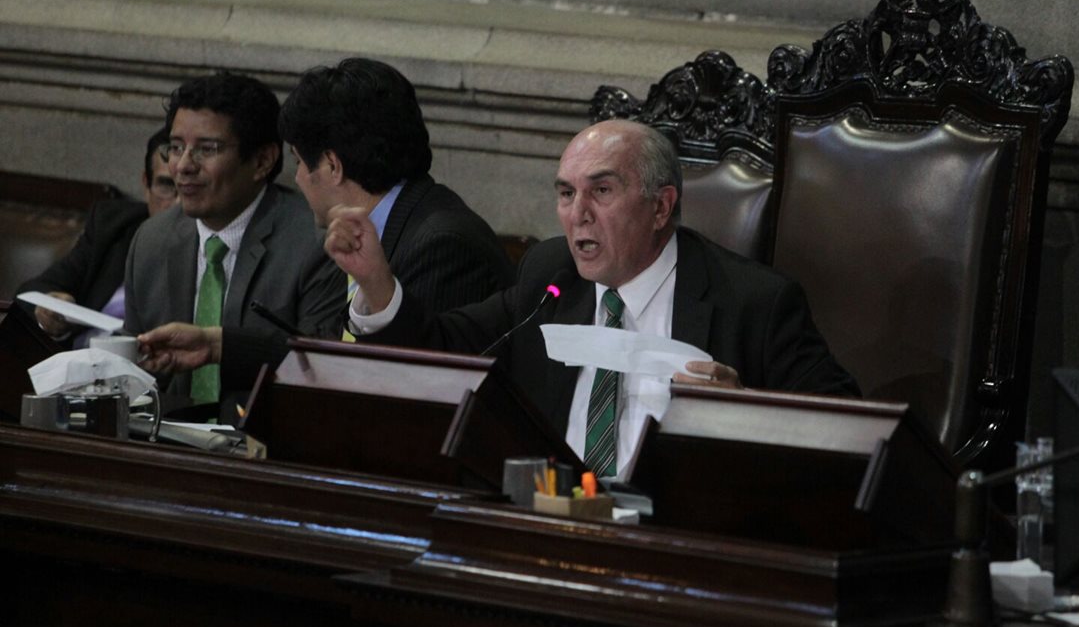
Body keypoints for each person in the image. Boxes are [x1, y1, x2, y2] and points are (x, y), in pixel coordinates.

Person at [327, 119, 858, 478]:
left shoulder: (755, 303)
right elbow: (444, 346)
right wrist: (376, 283)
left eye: (601, 191)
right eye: (565, 193)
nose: (577, 213)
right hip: (554, 526)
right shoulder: (551, 276)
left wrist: (747, 414)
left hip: (678, 549)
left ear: (660, 207)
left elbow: (849, 429)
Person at [138, 57, 514, 383]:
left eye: (300, 162)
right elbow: (329, 350)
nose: (298, 178)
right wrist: (215, 344)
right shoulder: (367, 229)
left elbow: (413, 383)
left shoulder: (443, 244)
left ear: (332, 166)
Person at [124, 71, 345, 407]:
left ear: (262, 161)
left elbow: (323, 370)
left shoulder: (316, 243)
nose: (182, 166)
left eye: (207, 149)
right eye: (176, 147)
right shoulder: (151, 240)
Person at [18, 125, 177, 346]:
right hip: (73, 363)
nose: (179, 203)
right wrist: (48, 309)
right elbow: (33, 290)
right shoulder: (113, 225)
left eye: (188, 188)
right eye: (167, 185)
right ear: (146, 185)